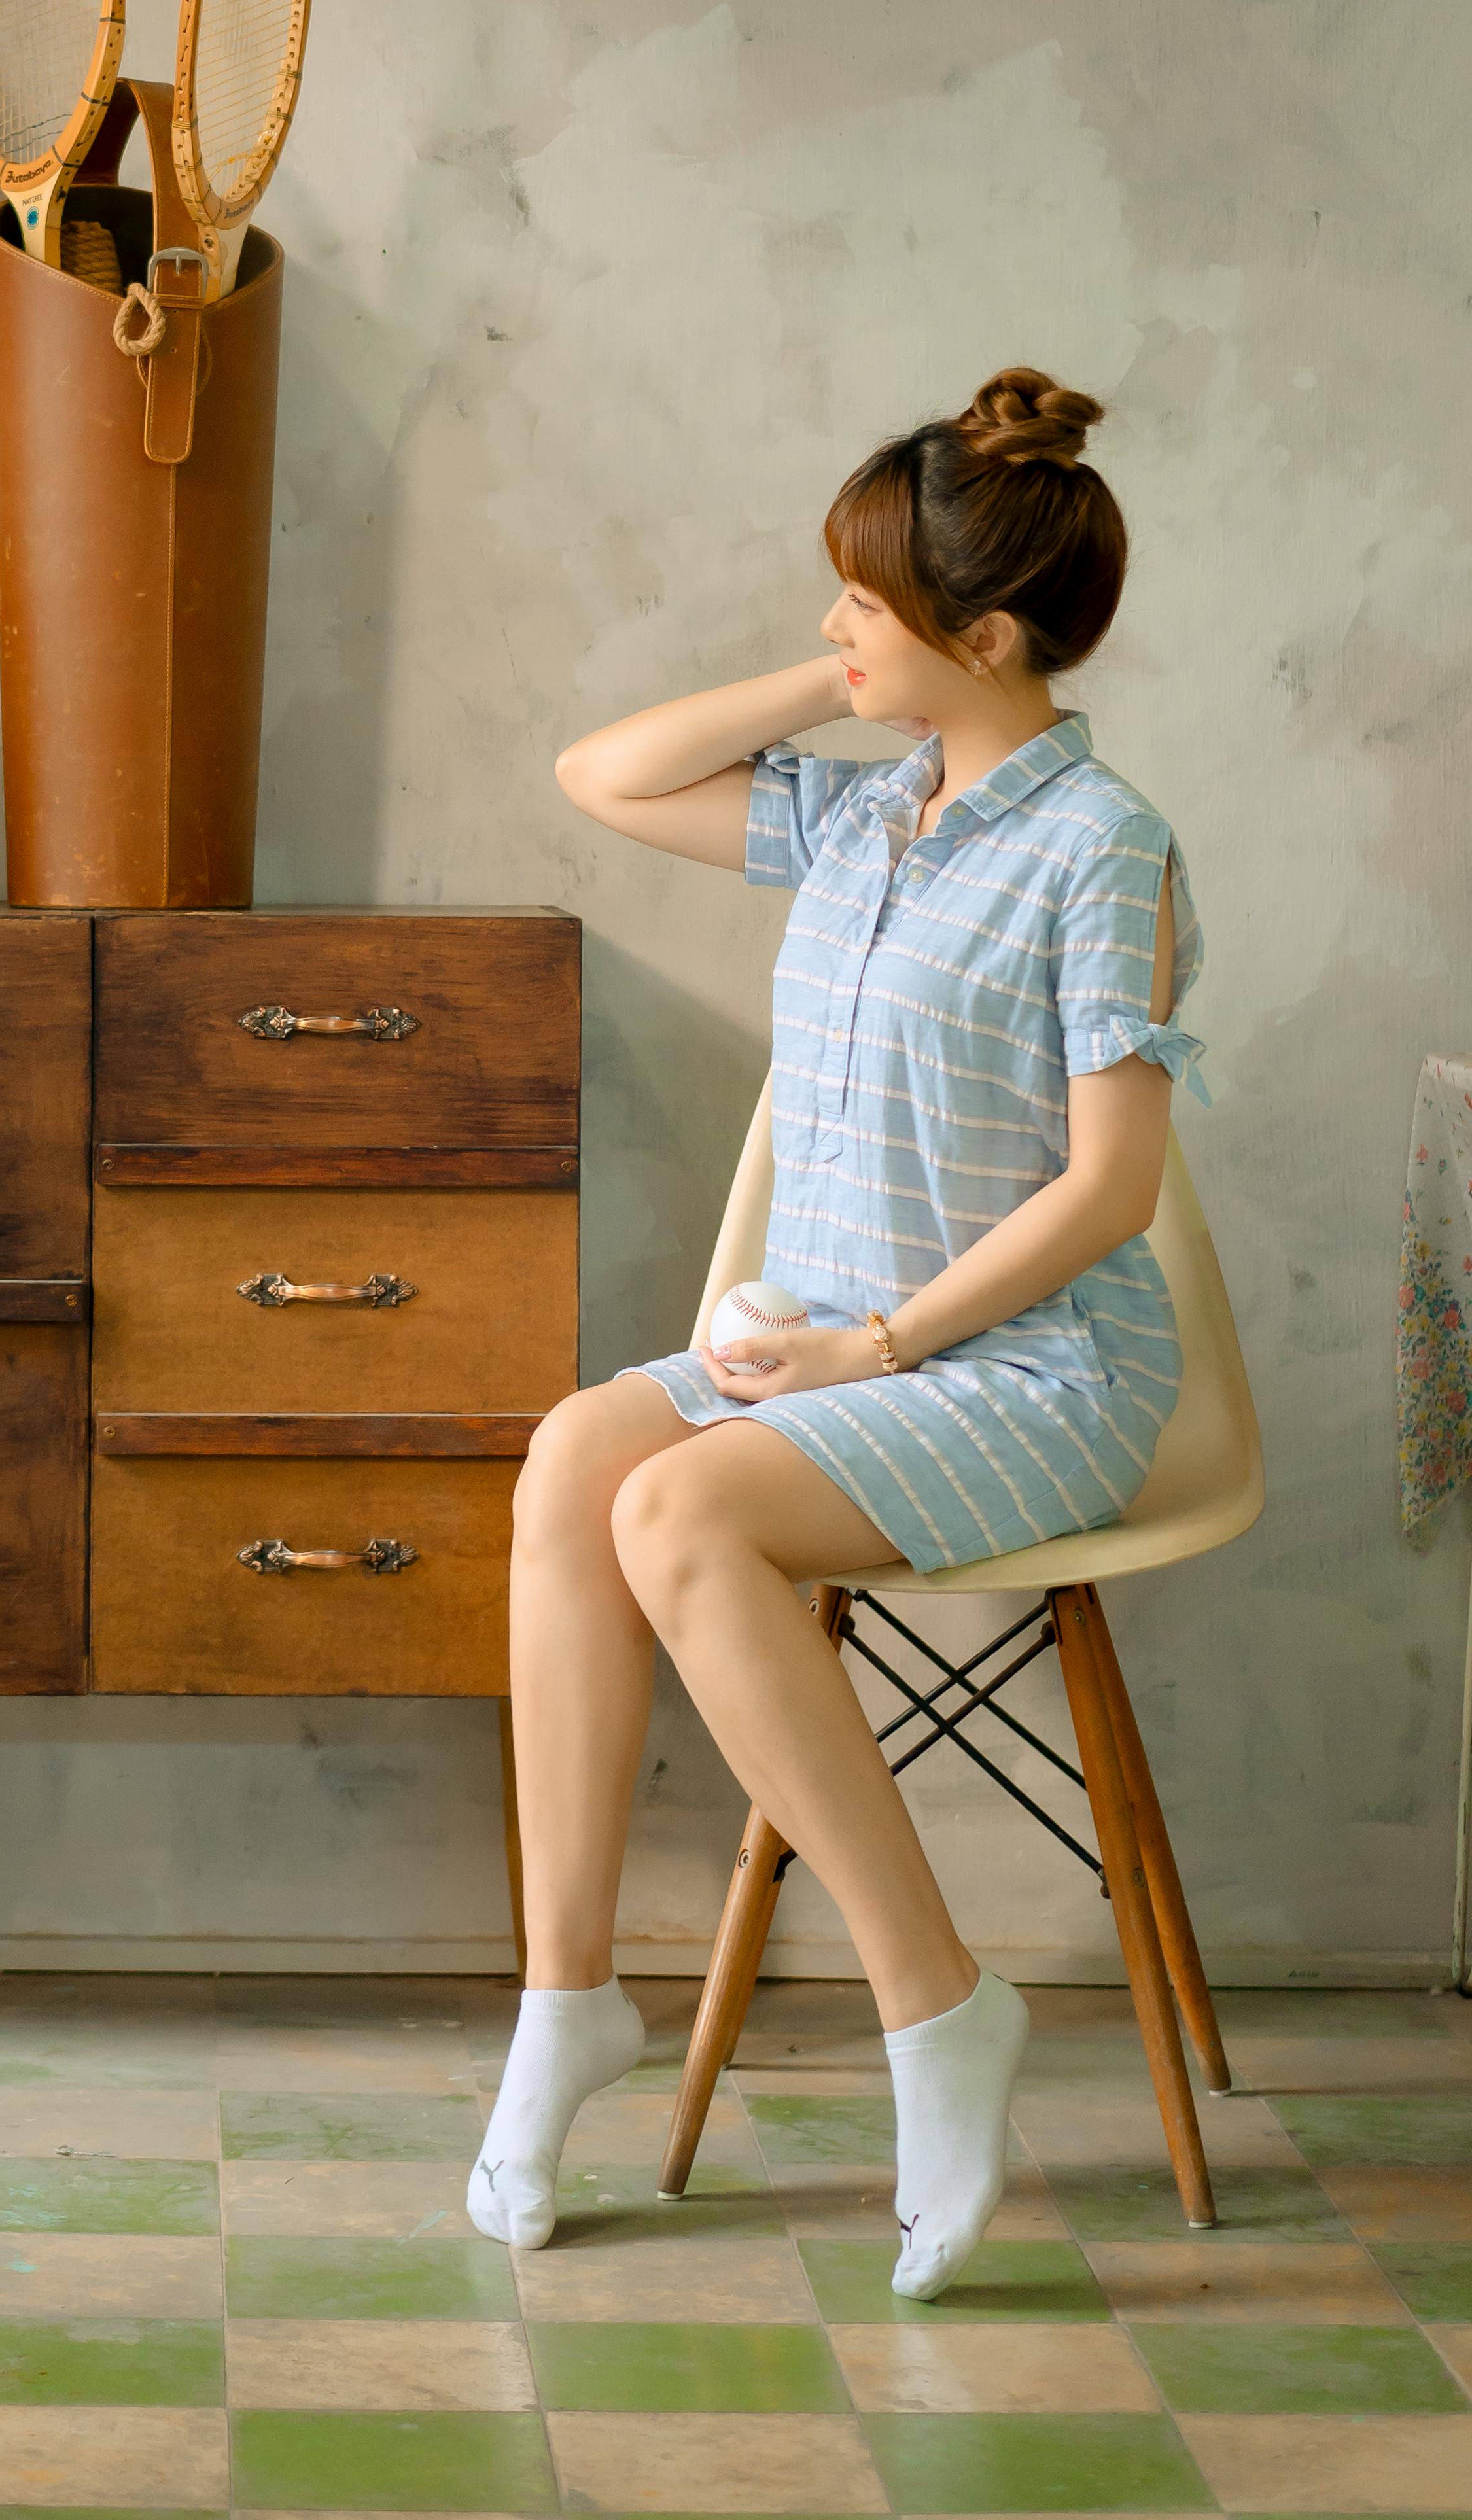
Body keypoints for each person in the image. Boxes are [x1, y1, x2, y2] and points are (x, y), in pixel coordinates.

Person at [474, 367, 1206, 2298]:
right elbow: (603, 777)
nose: (827, 632)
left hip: (1026, 1372)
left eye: (862, 609)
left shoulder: (1100, 852)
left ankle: (933, 2006)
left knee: (684, 1522)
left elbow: (1108, 1193)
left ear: (981, 638)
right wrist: (841, 680)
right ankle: (567, 2000)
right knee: (574, 1461)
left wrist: (872, 1346)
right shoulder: (859, 818)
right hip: (818, 1352)